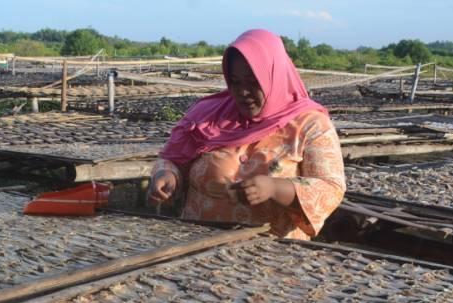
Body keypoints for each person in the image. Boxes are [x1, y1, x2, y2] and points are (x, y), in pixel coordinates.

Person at [148, 29, 346, 240]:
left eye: (253, 83)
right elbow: (171, 159)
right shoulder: (205, 116)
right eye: (236, 82)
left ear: (274, 77)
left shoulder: (310, 125)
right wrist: (166, 175)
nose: (242, 92)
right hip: (195, 246)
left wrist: (275, 188)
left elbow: (330, 188)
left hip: (272, 257)